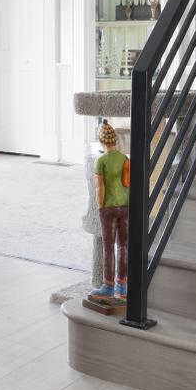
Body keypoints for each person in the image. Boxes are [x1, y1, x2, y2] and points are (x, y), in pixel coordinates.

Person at [85, 120, 130, 315]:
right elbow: (128, 183)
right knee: (123, 245)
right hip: (125, 206)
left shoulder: (101, 161)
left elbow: (99, 187)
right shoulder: (124, 158)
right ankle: (123, 285)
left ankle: (108, 286)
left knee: (108, 246)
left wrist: (100, 207)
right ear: (116, 140)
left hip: (109, 208)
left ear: (102, 141)